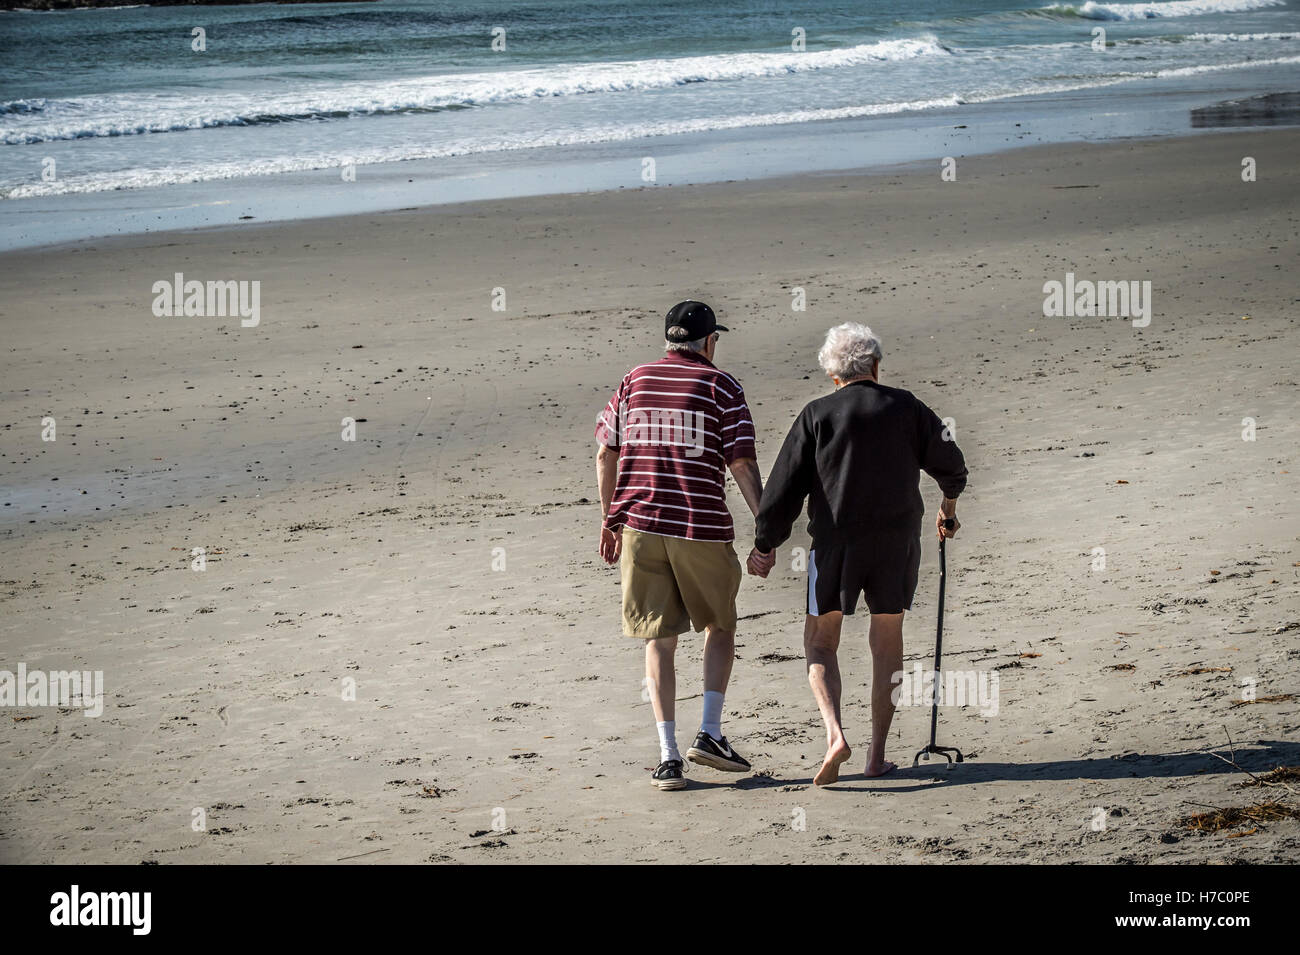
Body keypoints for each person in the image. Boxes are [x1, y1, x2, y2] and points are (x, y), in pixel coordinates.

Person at [748, 322, 967, 785]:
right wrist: (947, 511)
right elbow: (952, 466)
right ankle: (877, 756)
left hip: (836, 543)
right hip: (896, 541)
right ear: (876, 366)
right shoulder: (907, 407)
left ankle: (834, 736)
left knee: (820, 641)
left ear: (833, 375)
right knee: (886, 642)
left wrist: (766, 544)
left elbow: (783, 489)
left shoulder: (817, 414)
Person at [595, 301, 772, 791]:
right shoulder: (723, 386)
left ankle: (668, 756)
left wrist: (609, 520)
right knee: (720, 625)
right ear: (709, 341)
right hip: (698, 525)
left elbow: (605, 452)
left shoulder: (634, 379)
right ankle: (710, 733)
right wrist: (765, 528)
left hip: (639, 525)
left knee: (659, 638)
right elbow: (740, 463)